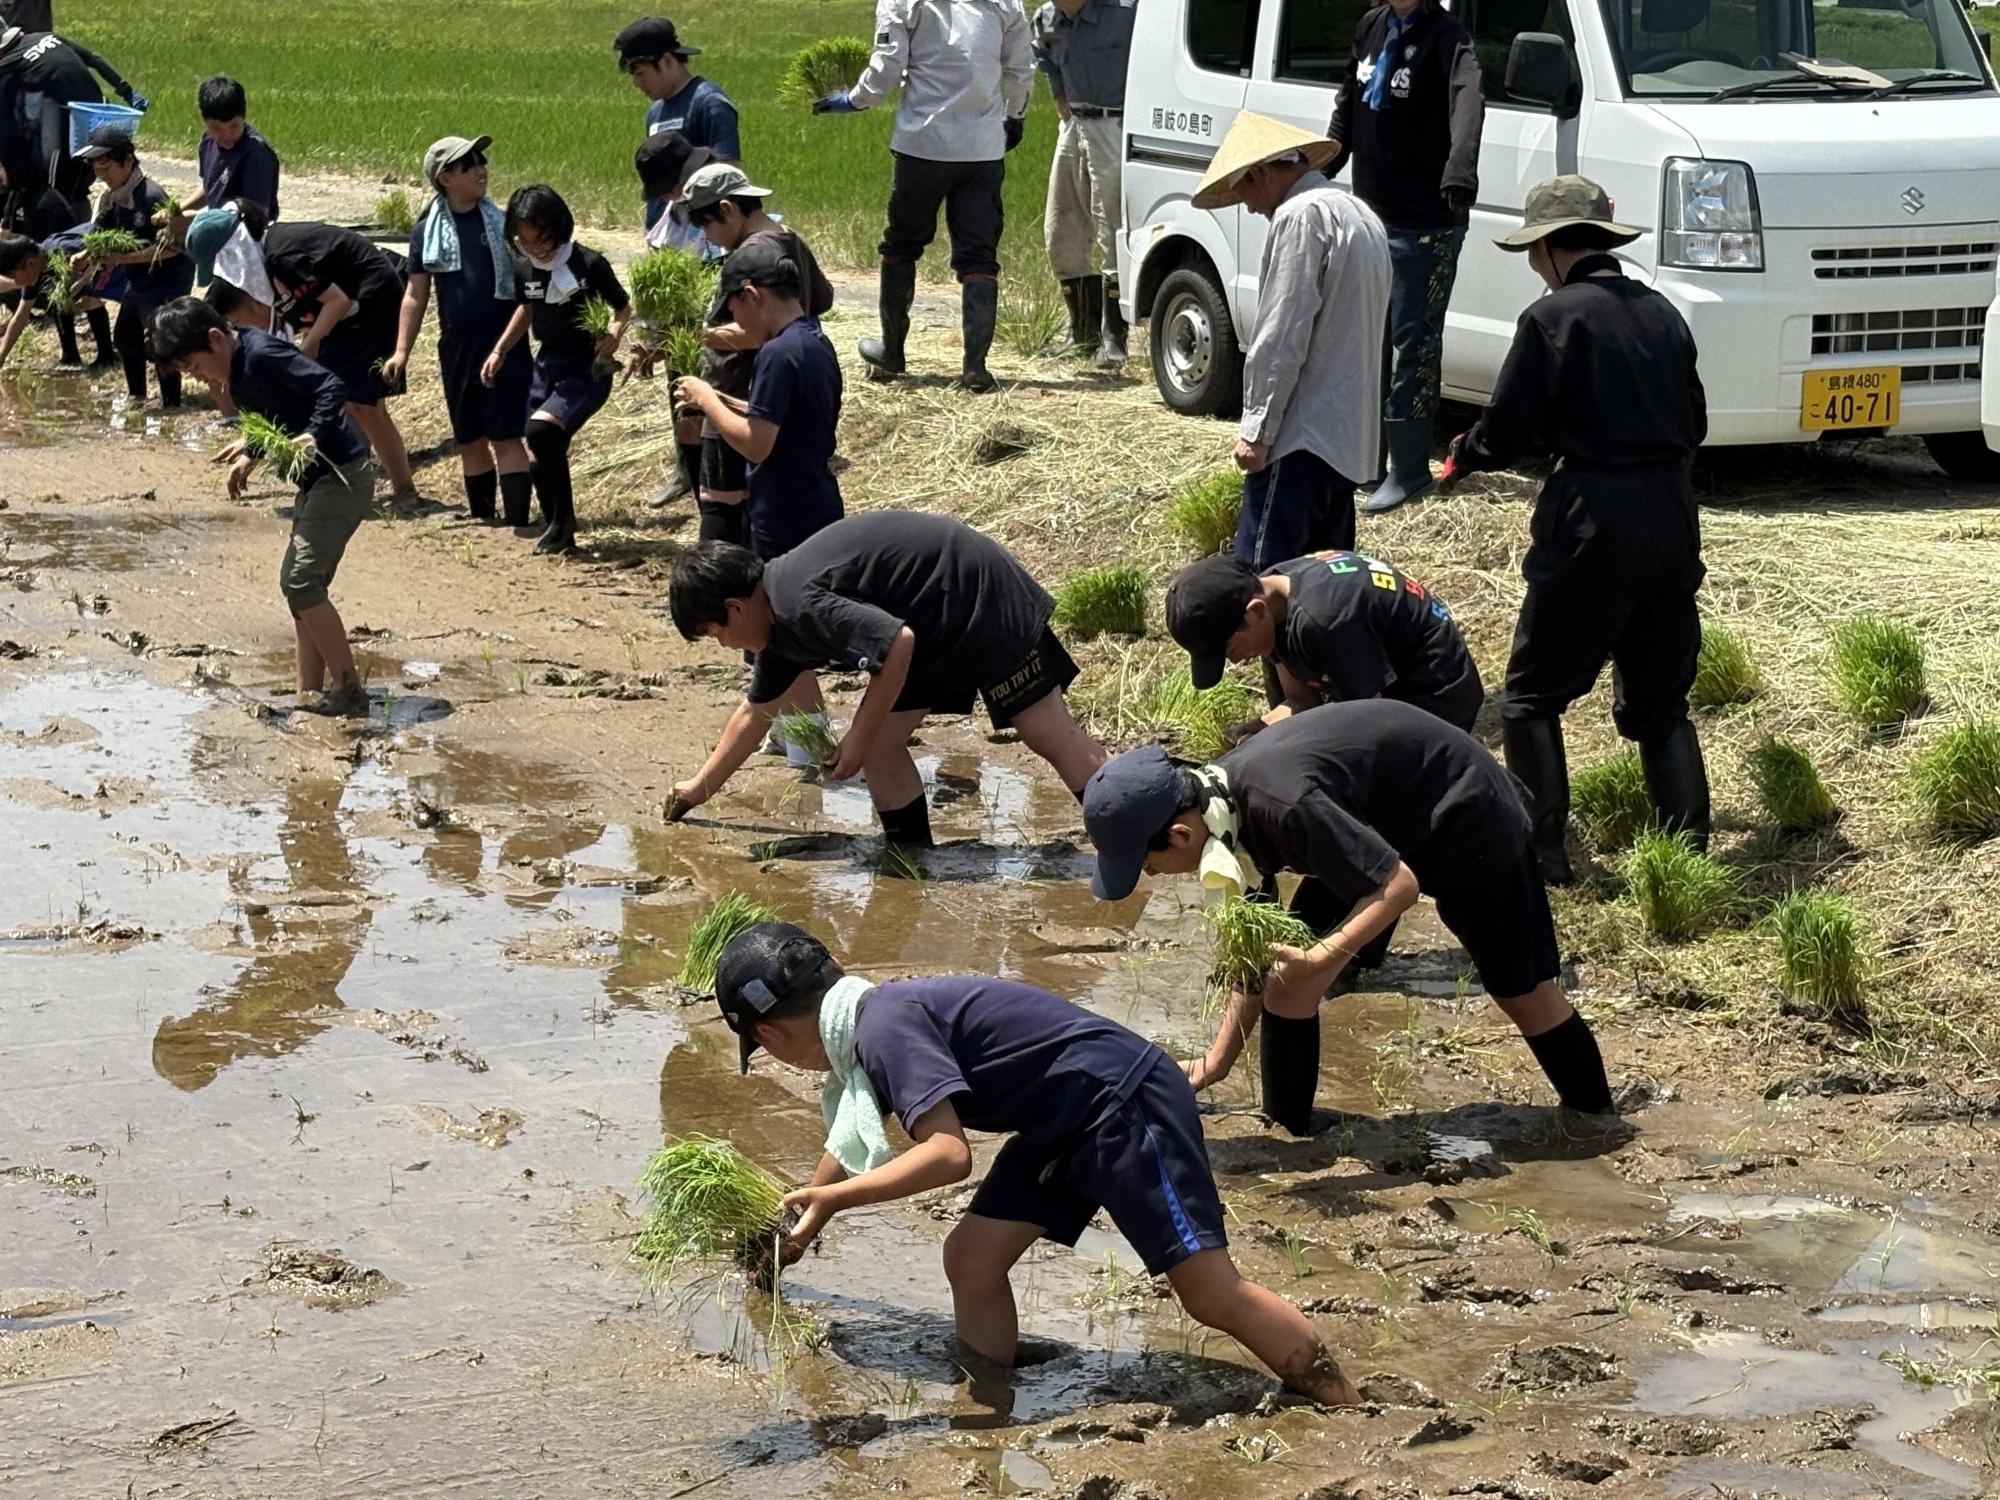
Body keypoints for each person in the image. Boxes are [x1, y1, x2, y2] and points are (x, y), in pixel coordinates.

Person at [711, 920, 1364, 1406]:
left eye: (765, 1050)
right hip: (1064, 1119)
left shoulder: (884, 1028)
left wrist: (834, 1201)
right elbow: (846, 1147)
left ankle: (1345, 1402)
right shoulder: (868, 1020)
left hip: (1123, 1103)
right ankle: (986, 1395)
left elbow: (947, 1156)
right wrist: (797, 1229)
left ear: (768, 1034)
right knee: (972, 1258)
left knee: (1209, 1293)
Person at [1082, 701, 1616, 1134]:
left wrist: (1323, 955)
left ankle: (1596, 1120)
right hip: (1374, 821)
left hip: (1467, 812)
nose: (1153, 876)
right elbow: (1254, 957)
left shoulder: (1283, 804)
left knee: (1522, 993)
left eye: (1148, 866)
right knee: (1287, 980)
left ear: (1180, 835)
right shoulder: (1222, 822)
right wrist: (1215, 1064)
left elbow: (1398, 886)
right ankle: (1289, 1132)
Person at [1443, 175, 1710, 886]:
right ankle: (1688, 860)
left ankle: (1544, 855)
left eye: (1535, 252)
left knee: (1531, 695)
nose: (1535, 265)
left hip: (1593, 514)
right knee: (1661, 702)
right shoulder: (1662, 312)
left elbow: (1507, 428)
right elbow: (1696, 420)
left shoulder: (1551, 319)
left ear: (1552, 248)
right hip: (1671, 512)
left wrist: (1464, 456)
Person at [664, 512, 1107, 849]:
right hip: (932, 622)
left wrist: (856, 737)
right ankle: (908, 856)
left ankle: (1135, 828)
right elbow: (754, 714)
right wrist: (698, 789)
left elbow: (897, 643)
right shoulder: (776, 623)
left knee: (1043, 729)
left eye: (715, 633)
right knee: (880, 744)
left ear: (735, 608)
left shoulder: (797, 602)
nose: (723, 644)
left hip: (977, 594)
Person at [149, 296, 374, 716]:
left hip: (342, 476)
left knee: (301, 583)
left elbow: (330, 386)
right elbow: (278, 411)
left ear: (216, 338)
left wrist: (313, 434)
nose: (201, 378)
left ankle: (348, 689)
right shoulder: (238, 363)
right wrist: (252, 451)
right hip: (316, 482)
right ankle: (308, 692)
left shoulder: (262, 354)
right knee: (301, 590)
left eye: (196, 367)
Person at [1189, 112, 1389, 569]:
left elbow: (1280, 334)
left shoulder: (1300, 217)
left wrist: (1257, 431)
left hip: (1301, 436)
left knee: (1265, 580)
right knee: (1324, 583)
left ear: (1260, 173)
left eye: (1244, 192)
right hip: (1346, 439)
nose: (1249, 207)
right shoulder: (1359, 214)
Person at [813, 0, 1033, 394]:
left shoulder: (901, 2)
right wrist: (1015, 116)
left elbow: (888, 65)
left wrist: (856, 100)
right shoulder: (1006, 3)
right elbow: (1020, 68)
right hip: (982, 149)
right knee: (979, 258)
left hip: (922, 146)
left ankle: (892, 351)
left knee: (901, 246)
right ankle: (975, 368)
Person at [1327, 0, 1484, 515]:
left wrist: (1460, 169)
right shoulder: (1371, 26)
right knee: (1368, 338)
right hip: (1372, 214)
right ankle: (1365, 459)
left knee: (1413, 344)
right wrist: (1324, 158)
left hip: (1426, 221)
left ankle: (1410, 467)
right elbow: (1349, 101)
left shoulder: (1447, 36)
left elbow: (1467, 102)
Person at [185, 201, 417, 499]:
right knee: (339, 398)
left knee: (365, 405)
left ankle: (404, 491)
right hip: (342, 314)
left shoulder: (282, 257)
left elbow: (337, 301)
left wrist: (308, 346)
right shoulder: (264, 271)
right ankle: (354, 477)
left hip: (372, 299)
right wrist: (255, 445)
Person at [380, 134, 533, 527]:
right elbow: (415, 293)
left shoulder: (505, 225)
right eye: (470, 165)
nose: (481, 170)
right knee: (470, 439)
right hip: (458, 349)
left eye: (482, 162)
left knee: (507, 436)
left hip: (506, 344)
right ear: (445, 178)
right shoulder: (426, 232)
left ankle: (517, 521)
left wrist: (506, 346)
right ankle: (484, 520)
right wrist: (401, 350)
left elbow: (530, 288)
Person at [1166, 549, 1481, 732]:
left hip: (1437, 692)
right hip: (1384, 687)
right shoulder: (1273, 593)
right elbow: (1302, 700)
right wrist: (1261, 729)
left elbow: (1375, 724)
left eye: (1230, 650)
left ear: (1255, 611)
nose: (1234, 661)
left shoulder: (1326, 622)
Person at [672, 216, 839, 560]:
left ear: (750, 295)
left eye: (732, 309)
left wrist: (706, 397)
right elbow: (776, 416)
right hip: (817, 505)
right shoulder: (813, 341)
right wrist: (718, 400)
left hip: (785, 518)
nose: (735, 321)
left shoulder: (776, 353)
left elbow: (756, 444)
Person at [482, 184, 631, 556]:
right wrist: (500, 350)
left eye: (542, 240)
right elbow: (527, 309)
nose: (536, 250)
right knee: (538, 453)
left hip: (585, 368)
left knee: (540, 431)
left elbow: (622, 307)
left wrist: (613, 335)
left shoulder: (589, 264)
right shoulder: (525, 268)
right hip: (547, 364)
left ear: (559, 227)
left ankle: (564, 523)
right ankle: (557, 529)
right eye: (525, 242)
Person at [1036, 0, 1135, 370]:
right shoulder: (1046, 17)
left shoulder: (1126, 13)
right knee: (1060, 230)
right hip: (1074, 124)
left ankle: (1114, 338)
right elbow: (1043, 55)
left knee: (1113, 231)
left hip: (1116, 126)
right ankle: (1082, 333)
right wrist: (1059, 95)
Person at [72, 124, 190, 408]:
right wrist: (86, 254)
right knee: (125, 338)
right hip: (139, 279)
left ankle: (171, 404)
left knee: (159, 340)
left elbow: (171, 248)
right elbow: (102, 236)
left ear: (127, 160)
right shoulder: (112, 198)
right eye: (97, 168)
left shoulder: (151, 197)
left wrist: (121, 259)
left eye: (106, 167)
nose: (101, 175)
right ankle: (137, 397)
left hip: (167, 278)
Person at [631, 128, 716, 511]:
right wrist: (649, 339)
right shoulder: (674, 215)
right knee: (681, 395)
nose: (666, 195)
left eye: (669, 187)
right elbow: (655, 279)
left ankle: (715, 482)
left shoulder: (720, 200)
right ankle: (688, 472)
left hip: (724, 324)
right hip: (684, 325)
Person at [0, 25, 141, 216]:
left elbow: (5, 126)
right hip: (97, 120)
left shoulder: (7, 65)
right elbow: (93, 58)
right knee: (78, 184)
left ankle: (56, 229)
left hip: (66, 130)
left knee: (54, 192)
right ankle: (80, 225)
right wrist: (124, 89)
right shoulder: (46, 37)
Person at [616, 15, 738, 232]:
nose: (636, 83)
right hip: (662, 232)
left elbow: (729, 174)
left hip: (701, 234)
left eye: (641, 73)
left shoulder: (709, 103)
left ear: (667, 61)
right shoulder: (654, 112)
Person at [0, 225, 108, 367]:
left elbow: (104, 248)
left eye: (14, 277)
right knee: (58, 300)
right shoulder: (37, 268)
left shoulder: (65, 251)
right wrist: (2, 356)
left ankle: (107, 356)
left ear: (30, 265)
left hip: (117, 257)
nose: (15, 283)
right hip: (83, 277)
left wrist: (82, 281)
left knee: (88, 296)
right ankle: (71, 356)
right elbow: (20, 317)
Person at [177, 75, 281, 222]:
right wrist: (178, 210)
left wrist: (196, 220)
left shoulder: (255, 153)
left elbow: (257, 217)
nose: (226, 135)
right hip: (215, 223)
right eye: (216, 127)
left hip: (247, 232)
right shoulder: (208, 141)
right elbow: (212, 189)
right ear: (204, 120)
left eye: (233, 126)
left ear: (244, 116)